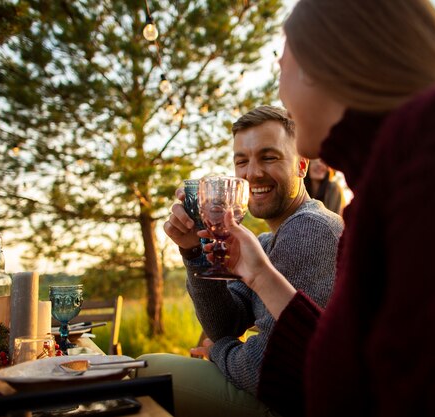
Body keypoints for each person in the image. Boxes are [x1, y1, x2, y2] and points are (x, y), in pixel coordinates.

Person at [212, 1, 435, 416]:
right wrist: (257, 273)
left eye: (280, 66)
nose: (278, 90)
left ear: (320, 61)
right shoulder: (389, 178)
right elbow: (359, 374)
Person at [136, 105, 343, 417]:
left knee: (147, 370)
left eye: (269, 157)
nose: (252, 173)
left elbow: (267, 366)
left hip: (296, 405)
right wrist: (194, 250)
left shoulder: (310, 228)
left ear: (301, 165)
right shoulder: (267, 242)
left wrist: (217, 351)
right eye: (241, 161)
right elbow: (225, 323)